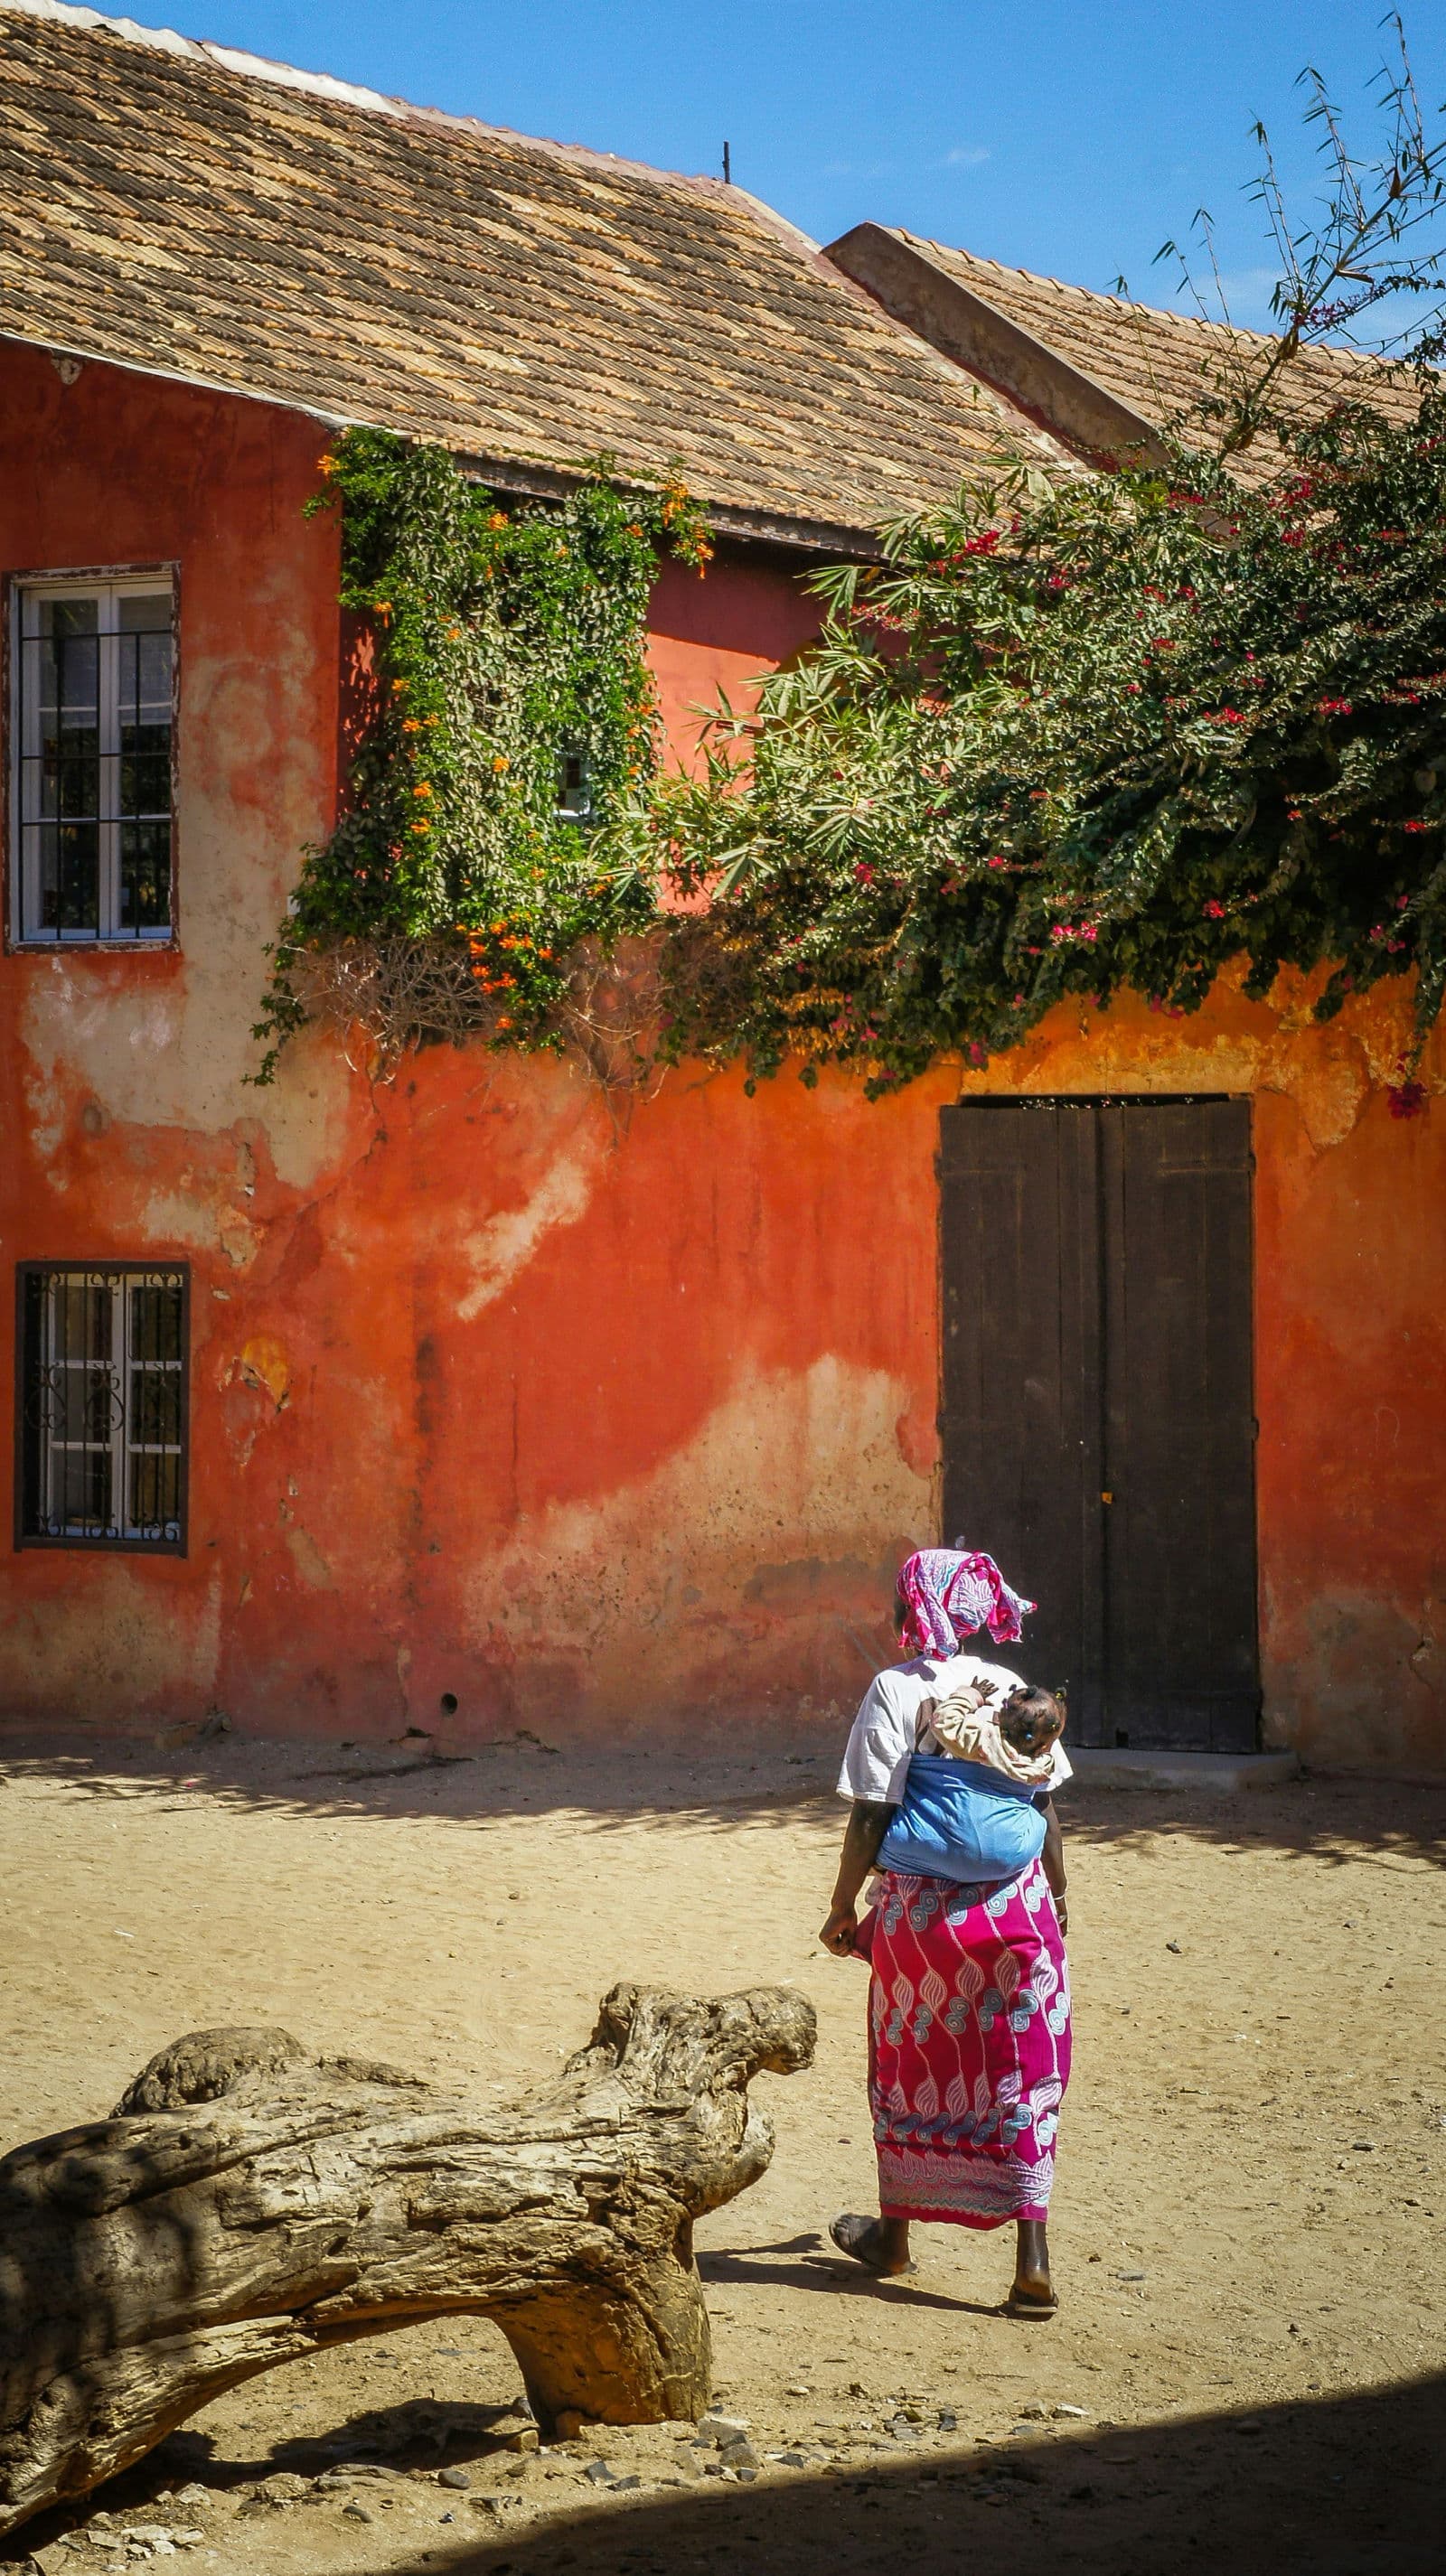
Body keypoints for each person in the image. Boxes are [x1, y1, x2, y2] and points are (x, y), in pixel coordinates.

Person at [819, 1547, 1071, 2317]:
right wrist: (1059, 1893)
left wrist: (842, 1906)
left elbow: (872, 1810)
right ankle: (1032, 2262)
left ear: (914, 1606)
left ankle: (893, 2238)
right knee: (1025, 2070)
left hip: (922, 1916)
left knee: (911, 2059)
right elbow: (1044, 1800)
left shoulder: (896, 1688)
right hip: (1017, 1906)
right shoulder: (1009, 1685)